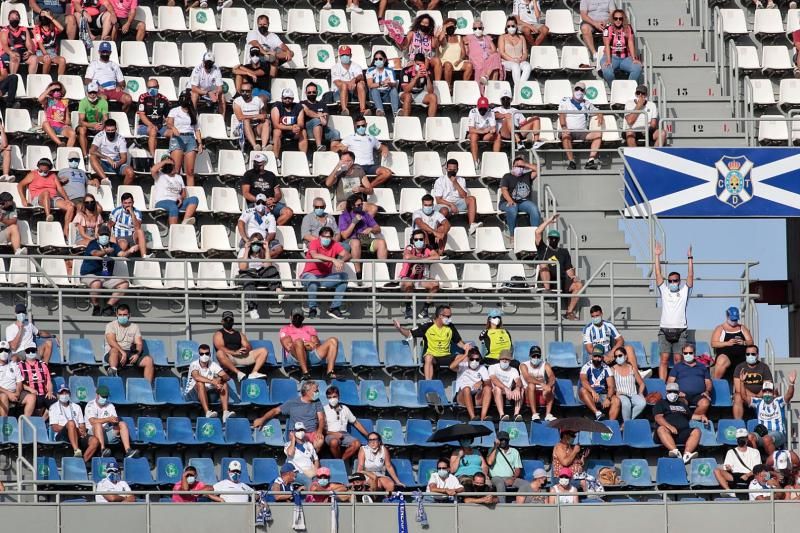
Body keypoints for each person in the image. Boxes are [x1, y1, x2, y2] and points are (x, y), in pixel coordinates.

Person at [393, 304, 473, 380]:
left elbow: (458, 341)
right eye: (448, 316)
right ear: (440, 316)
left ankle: (467, 380)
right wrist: (400, 328)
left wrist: (466, 347)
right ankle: (428, 383)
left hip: (446, 356)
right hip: (433, 356)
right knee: (428, 357)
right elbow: (409, 333)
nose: (450, 318)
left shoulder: (450, 326)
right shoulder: (427, 325)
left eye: (450, 316)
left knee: (466, 357)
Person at [653, 241, 694, 380]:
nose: (672, 283)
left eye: (675, 280)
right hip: (664, 330)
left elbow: (690, 277)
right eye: (670, 280)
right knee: (664, 360)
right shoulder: (664, 291)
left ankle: (677, 384)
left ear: (679, 281)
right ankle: (663, 386)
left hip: (680, 330)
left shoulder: (684, 292)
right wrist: (657, 256)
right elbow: (658, 275)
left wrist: (690, 258)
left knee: (678, 360)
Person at [253, 381, 325, 453]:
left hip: (312, 432)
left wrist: (319, 430)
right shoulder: (292, 403)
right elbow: (275, 411)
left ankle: (312, 459)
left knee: (319, 441)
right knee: (301, 442)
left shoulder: (317, 402)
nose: (318, 392)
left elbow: (321, 418)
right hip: (297, 433)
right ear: (307, 392)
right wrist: (263, 419)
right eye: (316, 391)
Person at [534, 214, 583, 319]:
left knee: (578, 285)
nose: (554, 240)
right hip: (547, 280)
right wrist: (549, 221)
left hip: (561, 280)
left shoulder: (563, 252)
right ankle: (547, 290)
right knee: (543, 264)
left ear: (559, 239)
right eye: (551, 238)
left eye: (556, 238)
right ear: (548, 239)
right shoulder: (543, 248)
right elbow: (537, 232)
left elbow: (568, 269)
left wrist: (573, 277)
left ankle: (569, 312)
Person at [301, 226, 351, 319]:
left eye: (328, 237)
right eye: (324, 236)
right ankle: (312, 309)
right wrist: (333, 260)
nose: (326, 239)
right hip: (309, 275)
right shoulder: (314, 243)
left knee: (344, 277)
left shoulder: (334, 244)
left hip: (324, 277)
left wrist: (341, 261)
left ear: (332, 237)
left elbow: (348, 254)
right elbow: (314, 255)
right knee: (313, 281)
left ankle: (334, 308)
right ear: (320, 236)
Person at [80, 225, 132, 315]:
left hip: (106, 276)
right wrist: (105, 252)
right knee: (96, 283)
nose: (104, 236)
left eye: (106, 234)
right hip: (90, 274)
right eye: (102, 234)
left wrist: (130, 251)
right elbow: (95, 253)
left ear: (109, 236)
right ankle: (96, 306)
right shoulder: (93, 243)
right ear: (98, 235)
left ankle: (108, 307)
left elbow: (122, 254)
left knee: (124, 284)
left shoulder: (113, 246)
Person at [279, 307, 341, 381]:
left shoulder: (310, 329)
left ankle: (330, 372)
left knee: (333, 340)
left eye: (299, 317)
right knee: (298, 342)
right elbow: (288, 346)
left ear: (303, 318)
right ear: (290, 317)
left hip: (311, 355)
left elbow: (316, 345)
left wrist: (306, 346)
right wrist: (305, 344)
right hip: (295, 357)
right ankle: (305, 373)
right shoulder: (285, 329)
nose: (297, 318)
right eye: (295, 316)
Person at [19, 157, 75, 236]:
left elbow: (60, 188)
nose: (42, 172)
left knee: (70, 206)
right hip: (38, 198)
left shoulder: (53, 175)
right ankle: (48, 215)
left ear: (49, 169)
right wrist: (23, 199)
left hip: (53, 198)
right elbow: (20, 185)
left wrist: (67, 199)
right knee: (46, 192)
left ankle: (66, 230)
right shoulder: (33, 174)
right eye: (40, 170)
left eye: (45, 171)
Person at [583, 304, 646, 374]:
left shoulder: (609, 325)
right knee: (591, 356)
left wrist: (612, 352)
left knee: (629, 348)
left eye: (597, 316)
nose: (595, 318)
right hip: (598, 355)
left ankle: (636, 373)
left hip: (610, 353)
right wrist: (603, 356)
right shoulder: (588, 329)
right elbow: (589, 349)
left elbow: (620, 340)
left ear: (601, 314)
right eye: (593, 316)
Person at [339, 193, 389, 281]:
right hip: (351, 241)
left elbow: (378, 229)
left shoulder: (365, 214)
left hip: (365, 239)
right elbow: (344, 235)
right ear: (352, 205)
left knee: (381, 242)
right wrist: (354, 222)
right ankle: (358, 274)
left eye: (362, 204)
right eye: (358, 205)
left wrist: (371, 229)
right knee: (356, 242)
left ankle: (382, 270)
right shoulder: (343, 216)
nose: (361, 206)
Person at [212, 311, 269, 382]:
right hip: (230, 358)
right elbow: (220, 347)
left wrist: (246, 350)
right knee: (219, 353)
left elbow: (248, 346)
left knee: (263, 350)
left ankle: (254, 373)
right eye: (226, 320)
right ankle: (238, 373)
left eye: (230, 320)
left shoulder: (239, 334)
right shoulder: (219, 333)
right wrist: (234, 352)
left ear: (233, 322)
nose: (228, 321)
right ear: (222, 321)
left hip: (241, 356)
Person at [653, 381, 702, 464]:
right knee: (661, 429)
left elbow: (690, 416)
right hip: (666, 432)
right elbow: (658, 418)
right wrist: (669, 426)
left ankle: (686, 454)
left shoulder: (682, 404)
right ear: (666, 392)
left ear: (678, 393)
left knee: (697, 431)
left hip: (681, 433)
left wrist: (701, 416)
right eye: (670, 391)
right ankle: (675, 452)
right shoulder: (661, 403)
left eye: (675, 392)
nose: (672, 393)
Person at [49, 384, 100, 461]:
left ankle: (82, 461)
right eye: (62, 393)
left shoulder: (77, 407)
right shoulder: (53, 407)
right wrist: (72, 428)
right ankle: (76, 450)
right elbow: (55, 428)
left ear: (70, 394)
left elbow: (82, 424)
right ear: (57, 395)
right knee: (71, 423)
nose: (64, 395)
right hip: (62, 435)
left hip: (77, 433)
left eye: (66, 393)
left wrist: (81, 430)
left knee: (95, 441)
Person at [748, 374, 796, 457]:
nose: (767, 393)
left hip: (778, 433)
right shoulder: (758, 402)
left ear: (773, 392)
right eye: (765, 391)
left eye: (769, 391)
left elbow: (789, 395)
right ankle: (756, 462)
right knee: (750, 437)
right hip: (762, 434)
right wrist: (741, 382)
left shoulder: (778, 401)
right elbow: (744, 397)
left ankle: (773, 463)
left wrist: (791, 384)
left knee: (767, 439)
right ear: (762, 392)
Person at [559, 81, 603, 170]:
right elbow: (562, 115)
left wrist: (600, 114)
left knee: (598, 134)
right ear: (573, 90)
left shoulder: (587, 103)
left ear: (584, 92)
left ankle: (590, 161)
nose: (579, 91)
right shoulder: (565, 101)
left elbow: (598, 110)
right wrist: (564, 127)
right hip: (568, 130)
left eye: (581, 90)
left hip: (582, 131)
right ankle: (572, 162)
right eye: (577, 89)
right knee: (565, 135)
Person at [104, 303, 153, 382]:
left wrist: (137, 354)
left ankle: (147, 388)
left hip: (129, 353)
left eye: (124, 315)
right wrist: (122, 351)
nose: (122, 317)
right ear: (116, 314)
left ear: (129, 315)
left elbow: (139, 343)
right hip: (115, 353)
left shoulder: (134, 327)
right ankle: (112, 376)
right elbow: (111, 341)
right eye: (120, 314)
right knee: (114, 350)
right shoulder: (110, 325)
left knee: (149, 360)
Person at [85, 385, 137, 459]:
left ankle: (128, 451)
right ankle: (102, 450)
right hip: (92, 435)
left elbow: (114, 419)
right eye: (102, 396)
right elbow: (92, 422)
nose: (104, 398)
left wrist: (115, 421)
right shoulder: (90, 405)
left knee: (122, 424)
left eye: (106, 397)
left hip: (105, 432)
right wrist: (108, 419)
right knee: (98, 425)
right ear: (97, 395)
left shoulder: (110, 405)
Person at [338, 115, 393, 186]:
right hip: (356, 166)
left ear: (366, 125)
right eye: (358, 126)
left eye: (363, 126)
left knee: (387, 173)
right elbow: (335, 148)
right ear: (355, 126)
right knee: (350, 176)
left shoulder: (372, 138)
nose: (361, 128)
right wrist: (341, 148)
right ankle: (365, 189)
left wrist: (385, 149)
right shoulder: (349, 138)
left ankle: (369, 188)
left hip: (370, 166)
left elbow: (382, 147)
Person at [184, 343, 233, 421]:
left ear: (210, 354)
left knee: (224, 384)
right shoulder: (194, 364)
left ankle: (225, 413)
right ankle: (207, 412)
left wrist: (219, 380)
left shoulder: (213, 364)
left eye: (206, 353)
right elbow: (197, 377)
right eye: (202, 353)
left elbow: (226, 377)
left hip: (208, 394)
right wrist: (213, 381)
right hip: (192, 395)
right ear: (199, 354)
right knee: (200, 383)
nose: (204, 355)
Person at [432, 159, 481, 236]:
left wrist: (455, 183)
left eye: (454, 170)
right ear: (446, 169)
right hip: (444, 203)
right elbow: (438, 200)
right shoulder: (440, 181)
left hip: (458, 203)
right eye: (450, 170)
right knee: (444, 210)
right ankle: (436, 230)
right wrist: (451, 205)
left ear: (457, 170)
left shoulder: (461, 180)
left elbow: (464, 196)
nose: (451, 172)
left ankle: (472, 225)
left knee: (472, 199)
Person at [241, 153, 293, 224]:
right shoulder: (248, 174)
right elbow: (246, 193)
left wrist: (274, 200)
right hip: (256, 203)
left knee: (288, 212)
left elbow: (278, 193)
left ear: (264, 163)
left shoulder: (271, 175)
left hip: (271, 203)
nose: (256, 164)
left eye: (259, 162)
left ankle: (274, 227)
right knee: (262, 211)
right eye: (255, 162)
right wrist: (262, 201)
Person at [399, 229, 440, 320]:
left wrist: (421, 260)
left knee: (435, 284)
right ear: (413, 240)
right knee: (408, 284)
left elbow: (436, 257)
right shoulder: (410, 247)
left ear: (424, 239)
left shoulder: (428, 247)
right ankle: (408, 308)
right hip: (407, 277)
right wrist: (422, 259)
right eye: (416, 239)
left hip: (422, 278)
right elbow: (407, 256)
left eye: (421, 239)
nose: (419, 241)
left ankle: (425, 309)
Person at [499, 156, 541, 239]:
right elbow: (504, 190)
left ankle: (535, 235)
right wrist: (510, 201)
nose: (520, 168)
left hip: (523, 202)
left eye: (522, 166)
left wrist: (525, 164)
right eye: (518, 166)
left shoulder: (527, 175)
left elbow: (539, 169)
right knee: (512, 207)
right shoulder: (507, 176)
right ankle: (512, 235)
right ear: (513, 166)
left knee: (534, 209)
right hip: (506, 202)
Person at [166, 90, 203, 187]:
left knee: (190, 171)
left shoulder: (193, 112)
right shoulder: (174, 110)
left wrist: (199, 143)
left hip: (190, 139)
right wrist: (173, 128)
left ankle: (190, 192)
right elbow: (169, 122)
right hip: (178, 138)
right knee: (176, 170)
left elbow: (197, 129)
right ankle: (175, 193)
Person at [323, 385, 369, 461]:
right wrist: (334, 434)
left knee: (357, 443)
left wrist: (368, 435)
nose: (332, 399)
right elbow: (321, 429)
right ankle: (339, 462)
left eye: (334, 396)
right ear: (327, 398)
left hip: (345, 435)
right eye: (330, 397)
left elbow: (355, 423)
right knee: (334, 442)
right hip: (330, 434)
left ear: (338, 396)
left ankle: (341, 461)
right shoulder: (324, 409)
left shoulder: (345, 408)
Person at [150, 155, 198, 227]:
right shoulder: (159, 175)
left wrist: (181, 198)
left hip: (177, 202)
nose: (171, 167)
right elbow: (153, 170)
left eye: (172, 165)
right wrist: (165, 161)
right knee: (173, 207)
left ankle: (185, 222)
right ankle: (174, 230)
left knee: (194, 199)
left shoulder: (178, 177)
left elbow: (183, 193)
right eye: (168, 165)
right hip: (163, 201)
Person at [84, 41, 132, 112]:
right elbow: (87, 80)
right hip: (99, 90)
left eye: (107, 52)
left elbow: (122, 82)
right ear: (99, 52)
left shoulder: (114, 65)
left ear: (110, 53)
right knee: (103, 98)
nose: (105, 54)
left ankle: (122, 116)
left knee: (128, 99)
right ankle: (100, 119)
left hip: (113, 90)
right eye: (103, 52)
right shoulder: (93, 64)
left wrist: (120, 86)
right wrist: (96, 86)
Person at [667, 344, 712, 418]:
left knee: (705, 403)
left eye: (690, 353)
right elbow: (669, 382)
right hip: (682, 395)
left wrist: (707, 391)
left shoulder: (702, 366)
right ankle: (692, 418)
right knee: (679, 404)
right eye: (685, 353)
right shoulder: (677, 366)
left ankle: (691, 419)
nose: (688, 355)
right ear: (683, 354)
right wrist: (677, 392)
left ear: (694, 353)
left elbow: (708, 382)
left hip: (699, 395)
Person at [712, 306, 754, 381]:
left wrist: (743, 342)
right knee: (722, 360)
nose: (734, 322)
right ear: (727, 317)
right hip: (726, 355)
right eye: (732, 320)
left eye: (735, 320)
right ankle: (716, 382)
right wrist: (727, 343)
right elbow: (714, 343)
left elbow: (751, 341)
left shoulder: (742, 328)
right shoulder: (720, 328)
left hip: (741, 356)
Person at [714, 427, 761, 494]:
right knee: (717, 470)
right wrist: (728, 467)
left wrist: (747, 475)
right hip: (735, 475)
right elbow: (727, 466)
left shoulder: (755, 452)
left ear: (747, 439)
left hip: (750, 475)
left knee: (759, 474)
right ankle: (729, 492)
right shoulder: (730, 452)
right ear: (736, 439)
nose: (741, 440)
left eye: (743, 438)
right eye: (739, 438)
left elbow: (757, 468)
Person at [601, 10, 642, 85]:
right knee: (607, 71)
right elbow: (607, 45)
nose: (618, 20)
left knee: (637, 68)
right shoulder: (608, 28)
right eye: (616, 18)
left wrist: (634, 59)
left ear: (623, 19)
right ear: (612, 19)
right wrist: (608, 60)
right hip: (612, 56)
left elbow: (630, 43)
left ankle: (629, 88)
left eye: (620, 18)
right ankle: (614, 88)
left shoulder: (628, 28)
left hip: (626, 58)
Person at [90, 118, 135, 185]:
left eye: (112, 130)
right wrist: (107, 158)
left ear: (116, 129)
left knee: (131, 173)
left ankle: (123, 192)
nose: (110, 132)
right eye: (108, 130)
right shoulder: (100, 136)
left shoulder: (121, 139)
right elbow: (92, 150)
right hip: (103, 162)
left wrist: (118, 163)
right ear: (105, 129)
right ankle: (106, 181)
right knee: (92, 157)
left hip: (116, 163)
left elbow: (124, 158)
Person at [579, 345, 620, 421]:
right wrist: (593, 391)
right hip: (590, 394)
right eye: (595, 356)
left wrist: (608, 398)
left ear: (602, 357)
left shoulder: (606, 368)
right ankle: (597, 413)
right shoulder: (586, 367)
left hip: (603, 393)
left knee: (616, 400)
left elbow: (611, 386)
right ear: (592, 356)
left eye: (599, 356)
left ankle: (610, 424)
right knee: (582, 390)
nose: (597, 359)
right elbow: (584, 381)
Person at [450, 347, 491, 421]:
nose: (474, 361)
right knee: (466, 388)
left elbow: (488, 382)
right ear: (468, 358)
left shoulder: (482, 368)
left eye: (477, 359)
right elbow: (451, 367)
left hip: (476, 396)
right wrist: (465, 355)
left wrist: (481, 382)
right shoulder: (463, 366)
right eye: (472, 359)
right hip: (462, 395)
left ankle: (483, 418)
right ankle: (473, 417)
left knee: (487, 388)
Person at [733, 344, 772, 420]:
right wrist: (754, 396)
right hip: (745, 396)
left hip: (761, 395)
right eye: (748, 354)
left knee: (772, 395)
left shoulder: (764, 367)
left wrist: (759, 395)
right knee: (737, 396)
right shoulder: (739, 367)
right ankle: (738, 424)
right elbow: (738, 388)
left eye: (753, 354)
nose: (750, 356)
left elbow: (768, 384)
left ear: (757, 355)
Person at [136, 79, 172, 157]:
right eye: (149, 87)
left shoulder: (164, 99)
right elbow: (141, 115)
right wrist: (151, 125)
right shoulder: (143, 97)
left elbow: (168, 117)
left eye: (154, 87)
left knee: (173, 133)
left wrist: (171, 126)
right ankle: (153, 157)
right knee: (153, 130)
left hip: (160, 126)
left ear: (158, 86)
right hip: (144, 126)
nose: (152, 89)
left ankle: (173, 154)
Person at [520, 345, 556, 421]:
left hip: (542, 391)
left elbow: (552, 377)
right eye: (534, 356)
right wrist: (542, 384)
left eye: (538, 356)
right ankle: (534, 413)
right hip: (528, 391)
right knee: (531, 385)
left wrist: (548, 386)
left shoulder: (545, 364)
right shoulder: (523, 365)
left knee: (552, 386)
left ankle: (548, 414)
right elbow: (528, 378)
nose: (536, 358)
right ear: (530, 356)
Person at [17, 343, 55, 417]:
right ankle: (27, 423)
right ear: (25, 352)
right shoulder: (20, 365)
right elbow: (19, 383)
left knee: (55, 402)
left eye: (33, 350)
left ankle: (44, 421)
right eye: (28, 351)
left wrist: (50, 391)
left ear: (36, 351)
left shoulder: (43, 364)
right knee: (32, 399)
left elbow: (48, 381)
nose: (31, 353)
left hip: (44, 394)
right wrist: (30, 389)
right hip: (30, 394)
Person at [109, 192, 149, 258]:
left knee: (140, 231)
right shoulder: (116, 211)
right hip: (120, 236)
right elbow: (109, 225)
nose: (127, 205)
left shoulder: (137, 212)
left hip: (132, 235)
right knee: (123, 244)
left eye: (129, 203)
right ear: (122, 203)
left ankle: (144, 257)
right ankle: (122, 258)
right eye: (125, 203)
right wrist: (111, 237)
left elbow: (137, 227)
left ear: (133, 202)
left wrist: (132, 213)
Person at [487, 430, 527, 498]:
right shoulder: (492, 450)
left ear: (508, 440)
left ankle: (521, 504)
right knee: (500, 484)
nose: (503, 441)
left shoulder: (514, 451)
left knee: (526, 484)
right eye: (501, 440)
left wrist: (513, 478)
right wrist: (495, 447)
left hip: (510, 477)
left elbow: (517, 469)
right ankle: (502, 506)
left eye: (505, 439)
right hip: (496, 478)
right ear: (498, 440)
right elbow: (489, 462)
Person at [301, 82, 340, 151]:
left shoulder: (322, 104)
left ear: (317, 92)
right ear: (306, 93)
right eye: (309, 92)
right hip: (308, 130)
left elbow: (324, 122)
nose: (311, 94)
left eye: (313, 92)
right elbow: (307, 112)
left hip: (322, 129)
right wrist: (319, 115)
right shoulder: (302, 103)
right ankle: (319, 146)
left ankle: (334, 154)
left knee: (336, 133)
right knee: (316, 121)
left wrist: (316, 115)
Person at [233, 81, 270, 152]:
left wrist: (263, 116)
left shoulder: (257, 100)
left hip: (256, 127)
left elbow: (264, 114)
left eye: (247, 91)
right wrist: (255, 116)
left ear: (251, 91)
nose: (244, 93)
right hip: (242, 128)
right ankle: (255, 146)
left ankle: (264, 147)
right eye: (242, 91)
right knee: (246, 121)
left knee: (266, 121)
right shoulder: (237, 101)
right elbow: (240, 117)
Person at [465, 19, 503, 88]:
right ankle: (489, 83)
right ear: (472, 29)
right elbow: (463, 43)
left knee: (496, 56)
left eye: (479, 28)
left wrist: (487, 53)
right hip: (477, 60)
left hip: (487, 58)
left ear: (483, 29)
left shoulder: (487, 38)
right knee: (495, 65)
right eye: (475, 28)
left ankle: (487, 77)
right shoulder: (469, 37)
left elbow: (494, 50)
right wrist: (466, 46)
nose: (477, 30)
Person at [332, 45, 368, 116]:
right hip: (339, 93)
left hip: (353, 92)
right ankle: (344, 110)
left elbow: (361, 76)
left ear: (350, 55)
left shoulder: (356, 66)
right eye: (343, 55)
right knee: (343, 85)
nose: (344, 56)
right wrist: (350, 83)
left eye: (346, 54)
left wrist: (354, 80)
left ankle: (363, 110)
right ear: (339, 56)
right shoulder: (335, 67)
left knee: (361, 83)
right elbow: (337, 83)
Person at [612, 347, 646, 422]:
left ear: (626, 356)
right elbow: (611, 385)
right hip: (621, 394)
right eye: (616, 356)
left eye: (620, 355)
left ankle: (626, 423)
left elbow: (641, 383)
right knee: (626, 403)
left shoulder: (632, 368)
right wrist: (615, 392)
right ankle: (627, 424)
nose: (618, 358)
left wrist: (640, 393)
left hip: (633, 394)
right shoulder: (613, 369)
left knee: (642, 403)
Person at [401, 14, 440, 80]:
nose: (424, 25)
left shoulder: (430, 36)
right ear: (419, 23)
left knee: (436, 60)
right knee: (424, 61)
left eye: (426, 23)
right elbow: (404, 46)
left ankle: (438, 83)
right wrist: (397, 38)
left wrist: (436, 37)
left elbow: (434, 45)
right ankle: (423, 80)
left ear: (429, 25)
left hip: (427, 58)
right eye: (423, 22)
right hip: (414, 59)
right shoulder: (412, 33)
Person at [271, 88, 307, 158]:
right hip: (281, 131)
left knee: (303, 132)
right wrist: (291, 127)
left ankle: (303, 157)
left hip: (294, 131)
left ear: (293, 99)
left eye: (289, 98)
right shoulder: (277, 106)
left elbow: (301, 123)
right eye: (285, 98)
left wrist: (297, 126)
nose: (287, 100)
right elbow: (276, 125)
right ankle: (275, 158)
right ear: (281, 98)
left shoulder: (298, 107)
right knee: (277, 131)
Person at [489, 349, 524, 421]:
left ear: (510, 361)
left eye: (507, 359)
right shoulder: (492, 367)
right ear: (499, 359)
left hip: (508, 392)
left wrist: (517, 388)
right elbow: (493, 379)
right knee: (497, 389)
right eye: (503, 359)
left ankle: (516, 414)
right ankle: (502, 415)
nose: (505, 361)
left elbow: (518, 380)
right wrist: (505, 388)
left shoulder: (513, 370)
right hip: (496, 391)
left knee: (521, 389)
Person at [437, 18, 472, 88]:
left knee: (469, 65)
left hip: (457, 61)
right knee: (448, 65)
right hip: (445, 61)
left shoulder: (459, 37)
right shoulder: (444, 37)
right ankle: (448, 87)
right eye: (449, 26)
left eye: (452, 26)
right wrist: (444, 28)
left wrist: (459, 60)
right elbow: (440, 39)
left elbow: (463, 53)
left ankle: (464, 87)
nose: (450, 28)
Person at [401, 52, 438, 117]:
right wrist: (416, 77)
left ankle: (431, 122)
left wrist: (427, 78)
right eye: (418, 64)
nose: (419, 66)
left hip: (419, 94)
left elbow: (430, 91)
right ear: (414, 63)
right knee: (408, 96)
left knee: (433, 97)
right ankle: (405, 121)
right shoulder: (405, 71)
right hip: (405, 94)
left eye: (421, 64)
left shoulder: (427, 72)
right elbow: (406, 90)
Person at [39, 81, 76, 148]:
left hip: (61, 126)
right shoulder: (48, 100)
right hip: (50, 125)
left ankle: (67, 152)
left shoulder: (64, 102)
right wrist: (49, 89)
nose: (56, 92)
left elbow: (68, 120)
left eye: (58, 90)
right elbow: (40, 99)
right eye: (54, 90)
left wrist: (64, 121)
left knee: (72, 133)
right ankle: (60, 144)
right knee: (45, 123)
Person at [1, 9, 38, 75]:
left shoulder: (24, 29)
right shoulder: (5, 30)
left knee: (34, 58)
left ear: (19, 19)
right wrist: (11, 53)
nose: (14, 19)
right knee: (16, 56)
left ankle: (30, 80)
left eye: (16, 18)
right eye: (12, 18)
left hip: (21, 52)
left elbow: (28, 43)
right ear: (8, 19)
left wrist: (29, 51)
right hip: (8, 52)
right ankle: (12, 78)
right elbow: (5, 46)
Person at [284, 422, 320, 487]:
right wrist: (293, 439)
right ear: (294, 432)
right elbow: (290, 453)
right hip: (296, 472)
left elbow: (316, 459)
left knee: (319, 483)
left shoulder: (309, 445)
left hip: (310, 471)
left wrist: (316, 471)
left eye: (302, 430)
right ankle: (309, 497)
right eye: (298, 430)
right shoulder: (288, 445)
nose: (301, 432)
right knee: (308, 481)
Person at [190, 52, 226, 116]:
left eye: (210, 63)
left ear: (213, 63)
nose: (208, 64)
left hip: (211, 91)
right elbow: (194, 88)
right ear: (203, 61)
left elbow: (220, 87)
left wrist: (217, 93)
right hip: (199, 90)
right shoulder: (197, 69)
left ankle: (222, 119)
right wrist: (207, 93)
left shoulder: (216, 69)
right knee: (194, 95)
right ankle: (194, 118)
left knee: (222, 96)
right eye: (206, 62)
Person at [499, 16, 531, 87]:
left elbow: (525, 53)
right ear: (506, 27)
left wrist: (521, 59)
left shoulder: (522, 37)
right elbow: (502, 52)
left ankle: (519, 87)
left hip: (520, 60)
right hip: (507, 61)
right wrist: (513, 60)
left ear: (516, 26)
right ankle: (519, 88)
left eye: (513, 25)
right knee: (515, 66)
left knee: (527, 66)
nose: (510, 27)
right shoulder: (502, 37)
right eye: (508, 26)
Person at [467, 96, 501, 163]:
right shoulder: (473, 112)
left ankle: (495, 160)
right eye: (481, 109)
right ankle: (475, 161)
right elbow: (471, 129)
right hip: (476, 133)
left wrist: (492, 130)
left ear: (487, 107)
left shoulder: (491, 111)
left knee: (498, 136)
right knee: (473, 136)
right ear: (478, 107)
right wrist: (482, 131)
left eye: (484, 109)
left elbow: (493, 127)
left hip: (486, 134)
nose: (482, 111)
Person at [366, 50, 400, 116]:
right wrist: (382, 83)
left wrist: (390, 83)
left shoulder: (390, 70)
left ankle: (396, 113)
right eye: (376, 59)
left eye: (380, 59)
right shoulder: (370, 70)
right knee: (374, 90)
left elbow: (394, 84)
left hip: (386, 94)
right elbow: (370, 85)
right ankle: (381, 112)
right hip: (374, 95)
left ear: (384, 60)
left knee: (393, 90)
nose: (378, 60)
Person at [0, 341, 24, 416]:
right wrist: (9, 394)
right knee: (4, 396)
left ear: (9, 352)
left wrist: (17, 393)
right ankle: (4, 425)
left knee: (31, 397)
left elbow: (19, 382)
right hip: (2, 392)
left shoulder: (14, 365)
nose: (3, 352)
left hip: (14, 393)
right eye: (1, 350)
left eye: (6, 350)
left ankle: (26, 424)